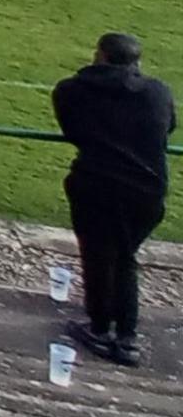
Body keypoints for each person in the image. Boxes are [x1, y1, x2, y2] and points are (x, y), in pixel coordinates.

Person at [54, 34, 174, 367]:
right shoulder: (157, 92)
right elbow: (168, 129)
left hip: (96, 185)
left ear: (100, 57)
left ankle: (104, 328)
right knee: (124, 257)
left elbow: (73, 130)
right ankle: (124, 336)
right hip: (147, 191)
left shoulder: (72, 90)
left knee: (99, 255)